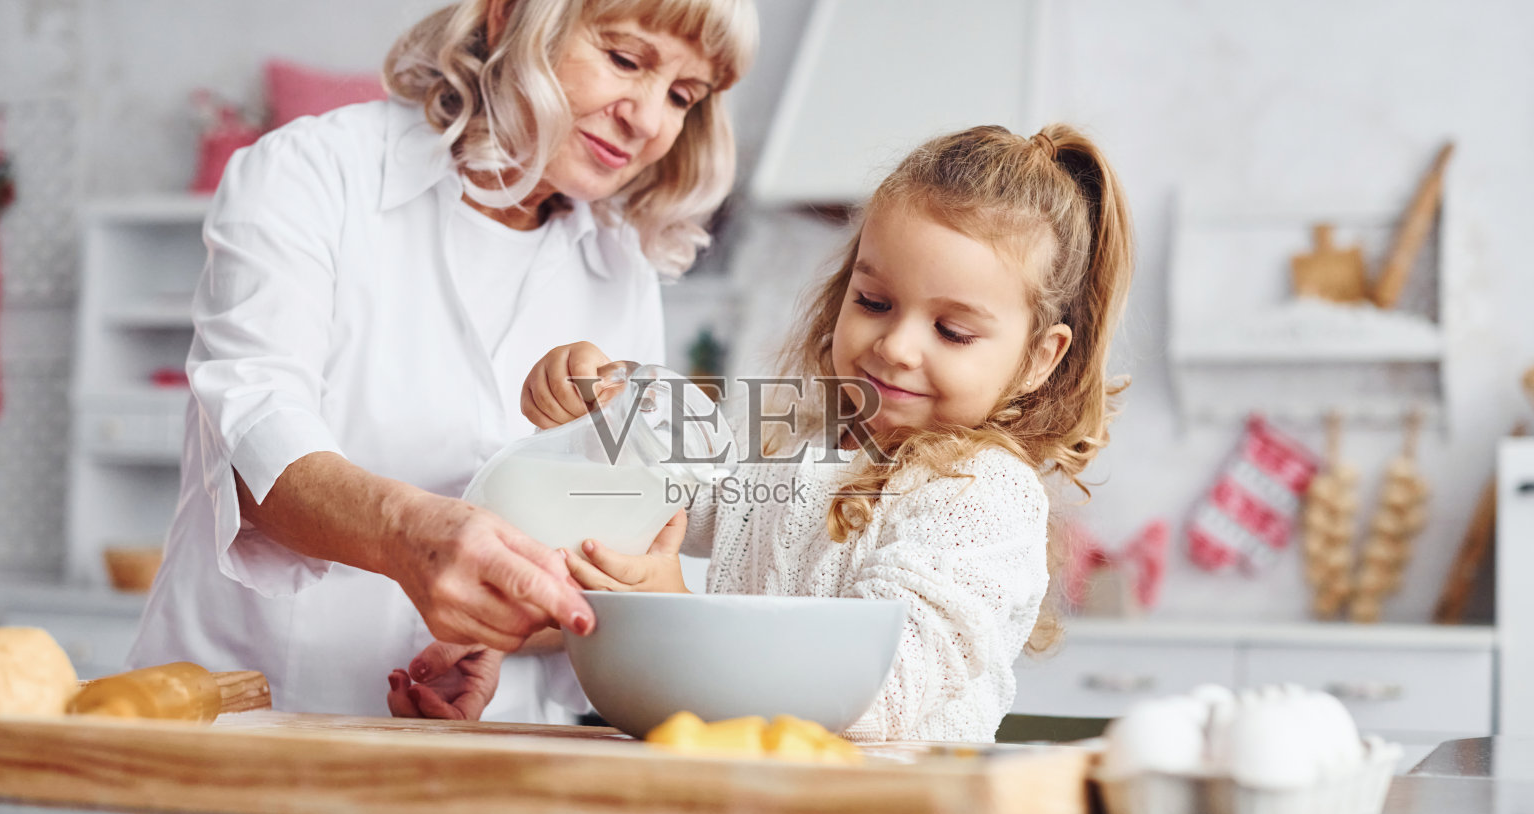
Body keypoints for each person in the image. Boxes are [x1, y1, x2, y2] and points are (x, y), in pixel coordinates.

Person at [124, 0, 757, 721]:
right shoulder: (310, 173)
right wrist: (406, 534)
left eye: (682, 96)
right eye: (624, 59)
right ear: (507, 18)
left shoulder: (623, 263)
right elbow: (255, 443)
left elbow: (605, 537)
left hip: (491, 744)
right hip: (246, 718)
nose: (646, 120)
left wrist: (508, 635)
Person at [541, 124, 1135, 742]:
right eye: (874, 302)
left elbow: (872, 696)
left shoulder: (981, 496)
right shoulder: (804, 448)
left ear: (1040, 357)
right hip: (766, 805)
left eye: (953, 331)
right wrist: (617, 402)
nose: (897, 347)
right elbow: (684, 488)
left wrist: (678, 619)